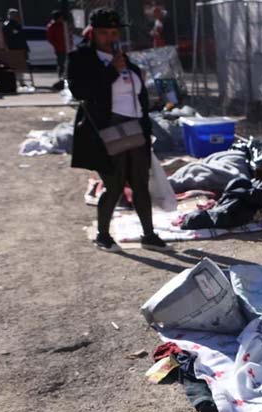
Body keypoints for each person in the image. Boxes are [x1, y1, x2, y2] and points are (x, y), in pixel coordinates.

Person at [68, 8, 168, 253]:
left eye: (113, 32)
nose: (109, 37)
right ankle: (103, 235)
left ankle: (149, 235)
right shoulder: (81, 58)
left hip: (135, 129)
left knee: (140, 184)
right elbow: (80, 92)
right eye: (104, 33)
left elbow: (139, 96)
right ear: (92, 33)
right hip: (107, 130)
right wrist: (111, 70)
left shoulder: (124, 59)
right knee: (114, 185)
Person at [46, 11, 68, 80]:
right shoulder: (52, 26)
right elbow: (50, 38)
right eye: (60, 17)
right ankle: (61, 77)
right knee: (61, 64)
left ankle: (66, 76)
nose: (62, 18)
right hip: (59, 49)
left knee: (67, 63)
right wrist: (57, 45)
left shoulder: (64, 25)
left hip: (67, 47)